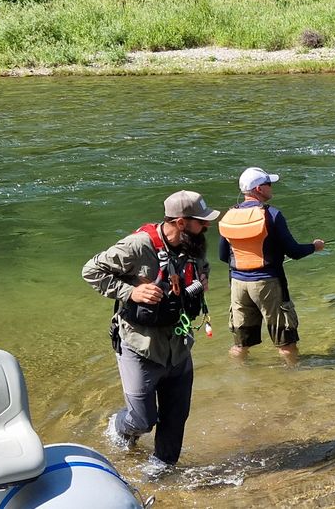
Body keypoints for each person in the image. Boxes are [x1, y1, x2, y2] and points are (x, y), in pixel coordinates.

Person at [81, 190, 219, 471]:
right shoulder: (137, 246)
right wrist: (131, 292)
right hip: (140, 346)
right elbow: (91, 271)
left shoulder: (195, 245)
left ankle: (160, 469)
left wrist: (202, 280)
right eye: (201, 221)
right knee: (143, 420)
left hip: (179, 346)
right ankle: (119, 427)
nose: (207, 226)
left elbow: (204, 267)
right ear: (181, 222)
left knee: (176, 417)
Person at [218, 167, 323, 366]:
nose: (271, 188)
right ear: (259, 189)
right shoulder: (273, 215)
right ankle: (293, 379)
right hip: (268, 284)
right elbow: (294, 251)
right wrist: (315, 247)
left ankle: (238, 379)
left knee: (240, 344)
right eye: (269, 184)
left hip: (238, 285)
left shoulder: (229, 216)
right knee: (285, 342)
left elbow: (223, 255)